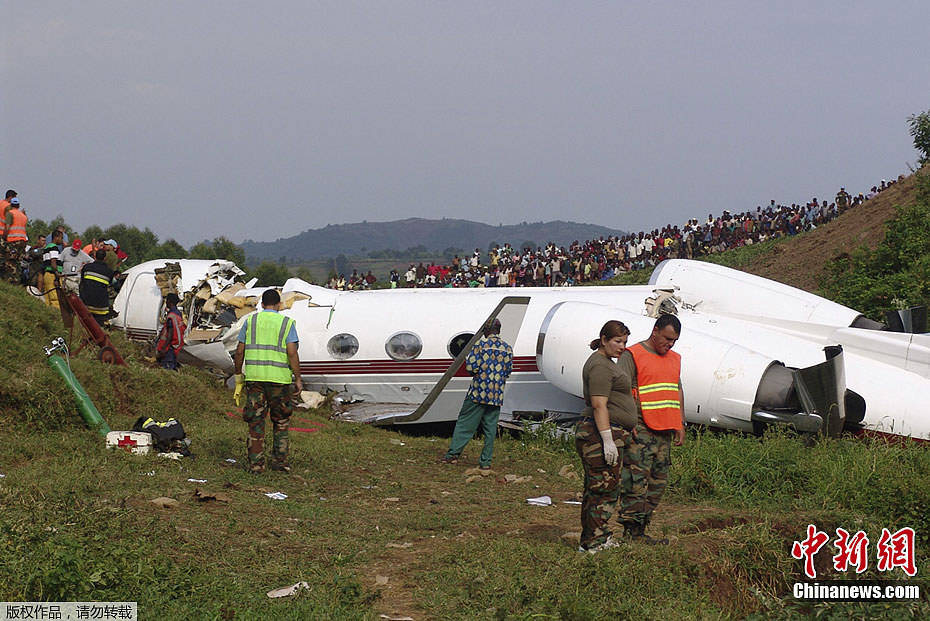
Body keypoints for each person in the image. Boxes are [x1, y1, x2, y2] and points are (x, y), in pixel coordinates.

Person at [618, 314, 685, 544]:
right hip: (640, 429)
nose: (670, 344)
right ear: (655, 331)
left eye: (674, 340)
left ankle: (641, 529)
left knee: (658, 483)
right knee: (635, 482)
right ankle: (631, 532)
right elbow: (621, 390)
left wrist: (680, 422)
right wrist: (628, 423)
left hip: (664, 430)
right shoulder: (633, 355)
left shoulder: (674, 359)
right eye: (667, 338)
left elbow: (677, 390)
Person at [575, 320, 635, 553]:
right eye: (617, 341)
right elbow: (599, 405)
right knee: (604, 488)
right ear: (604, 340)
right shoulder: (600, 366)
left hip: (607, 431)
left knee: (598, 487)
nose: (622, 347)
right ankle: (594, 542)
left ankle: (594, 538)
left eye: (625, 342)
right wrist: (607, 439)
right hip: (599, 433)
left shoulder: (606, 363)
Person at [233, 289, 303, 474]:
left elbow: (239, 351)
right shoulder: (286, 323)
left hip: (255, 379)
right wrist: (298, 379)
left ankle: (256, 465)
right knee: (281, 421)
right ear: (279, 305)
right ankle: (280, 462)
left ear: (262, 304)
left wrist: (238, 375)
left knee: (255, 422)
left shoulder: (250, 321)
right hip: (279, 381)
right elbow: (292, 353)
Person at [440, 317, 513, 469]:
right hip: (496, 395)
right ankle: (485, 463)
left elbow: (471, 368)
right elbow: (507, 372)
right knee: (490, 429)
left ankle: (453, 455)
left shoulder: (480, 345)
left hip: (478, 392)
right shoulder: (507, 348)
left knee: (465, 424)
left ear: (487, 330)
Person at [80, 249, 115, 326]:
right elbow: (109, 284)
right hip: (101, 307)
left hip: (86, 304)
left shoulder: (87, 267)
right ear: (105, 258)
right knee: (98, 327)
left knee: (85, 325)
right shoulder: (109, 271)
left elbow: (82, 282)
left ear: (95, 256)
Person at [155, 293, 186, 370]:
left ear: (169, 301)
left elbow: (170, 333)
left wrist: (163, 348)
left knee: (168, 367)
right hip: (176, 345)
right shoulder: (178, 314)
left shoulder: (171, 316)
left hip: (170, 347)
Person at [2, 198, 28, 283]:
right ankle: (17, 280)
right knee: (18, 262)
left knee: (9, 262)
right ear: (18, 206)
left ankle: (9, 281)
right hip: (22, 242)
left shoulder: (10, 213)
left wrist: (4, 237)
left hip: (13, 241)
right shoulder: (23, 216)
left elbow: (7, 227)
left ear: (11, 205)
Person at [42, 229, 65, 309]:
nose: (62, 240)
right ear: (56, 237)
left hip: (47, 274)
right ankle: (56, 312)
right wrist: (57, 273)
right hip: (52, 274)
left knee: (47, 297)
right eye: (61, 238)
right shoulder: (54, 247)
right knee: (55, 296)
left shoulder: (47, 247)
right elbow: (53, 261)